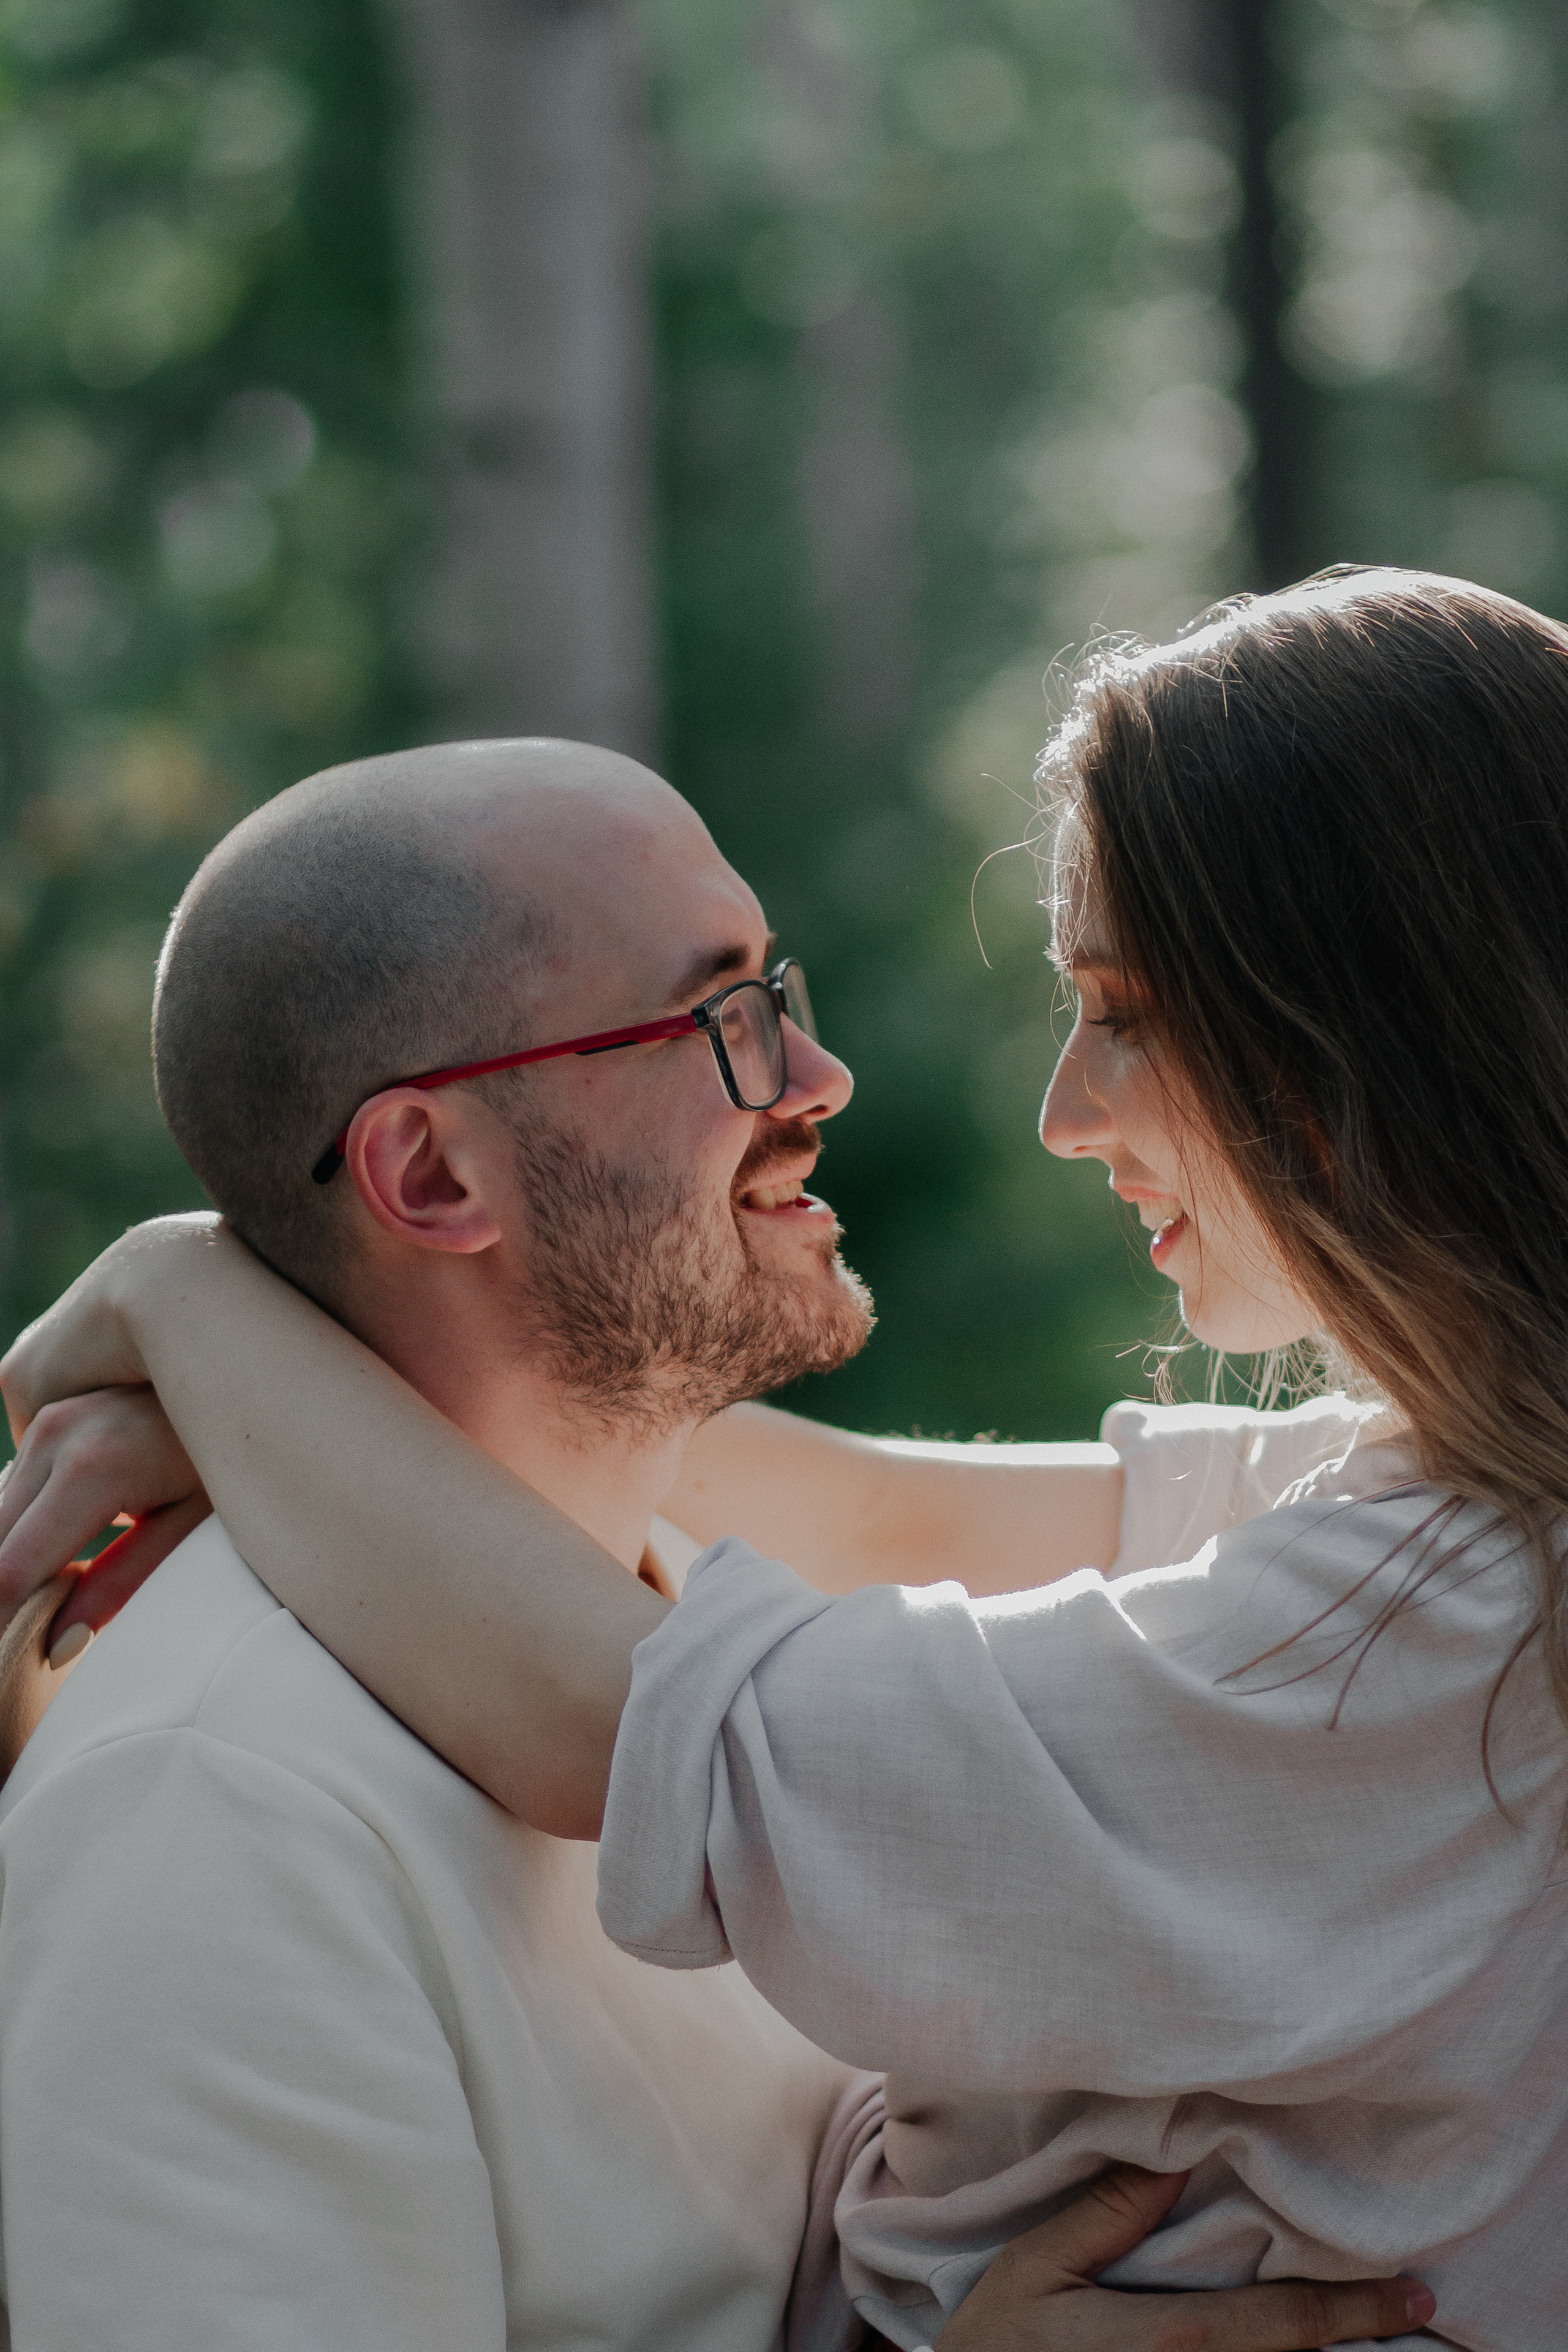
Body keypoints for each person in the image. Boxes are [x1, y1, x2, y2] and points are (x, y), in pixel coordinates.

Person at [0, 734, 1415, 2352]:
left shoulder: (741, 1634)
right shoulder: (219, 1801)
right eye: (722, 1021)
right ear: (430, 1170)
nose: (819, 1080)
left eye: (783, 998)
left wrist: (205, 1319)